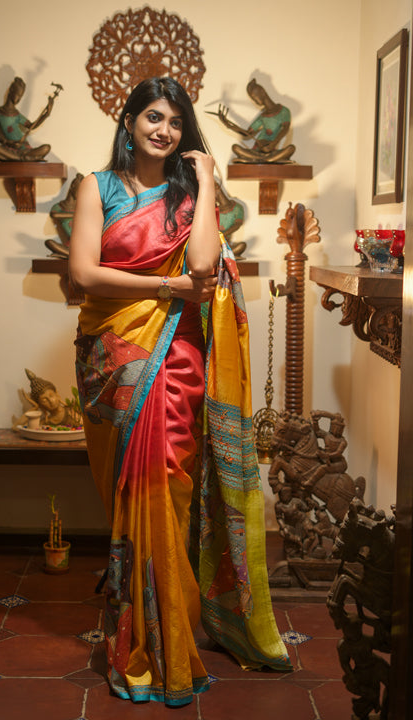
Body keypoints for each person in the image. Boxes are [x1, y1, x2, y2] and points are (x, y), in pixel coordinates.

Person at [69, 76, 291, 706]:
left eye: (174, 121)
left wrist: (209, 180)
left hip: (178, 354)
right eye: (152, 117)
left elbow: (201, 268)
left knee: (167, 483)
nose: (163, 130)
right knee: (130, 494)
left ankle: (168, 639)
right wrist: (165, 290)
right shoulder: (96, 186)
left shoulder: (189, 194)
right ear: (130, 121)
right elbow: (83, 273)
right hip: (113, 355)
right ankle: (136, 636)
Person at [215, 78, 295, 163]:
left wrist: (273, 144)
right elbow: (247, 133)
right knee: (235, 148)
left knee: (291, 148)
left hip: (272, 150)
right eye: (252, 99)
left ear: (262, 92)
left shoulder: (284, 111)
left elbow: (285, 129)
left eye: (254, 97)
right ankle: (267, 160)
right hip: (257, 151)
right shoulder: (262, 116)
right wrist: (228, 125)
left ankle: (261, 159)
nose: (255, 101)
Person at [0, 76, 58, 161]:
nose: (19, 99)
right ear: (11, 91)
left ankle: (18, 158)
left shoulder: (17, 115)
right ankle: (22, 158)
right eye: (18, 95)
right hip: (9, 148)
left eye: (21, 96)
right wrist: (7, 142)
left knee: (46, 148)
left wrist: (46, 114)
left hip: (24, 148)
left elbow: (31, 126)